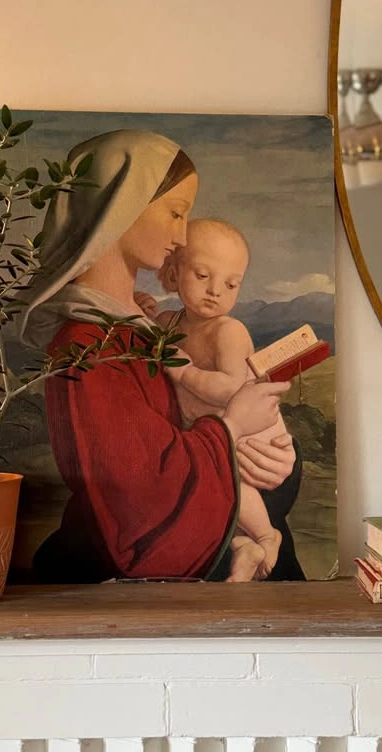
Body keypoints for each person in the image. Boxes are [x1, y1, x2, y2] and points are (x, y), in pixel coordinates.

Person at [20, 128, 306, 583]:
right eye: (175, 213)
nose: (181, 234)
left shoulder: (139, 324)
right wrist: (232, 429)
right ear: (121, 207)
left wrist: (279, 461)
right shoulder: (88, 345)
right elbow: (139, 491)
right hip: (147, 564)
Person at [136, 218, 285, 582]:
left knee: (233, 480)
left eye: (231, 284)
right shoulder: (170, 321)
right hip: (210, 430)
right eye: (202, 276)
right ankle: (240, 545)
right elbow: (150, 335)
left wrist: (185, 372)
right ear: (173, 275)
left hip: (249, 431)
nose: (216, 290)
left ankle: (266, 535)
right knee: (204, 491)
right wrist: (140, 309)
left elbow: (231, 388)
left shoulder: (228, 331)